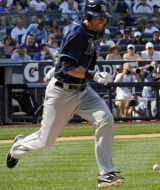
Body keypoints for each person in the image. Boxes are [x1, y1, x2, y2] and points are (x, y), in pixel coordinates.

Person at [6, 1, 124, 188]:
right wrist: (93, 74)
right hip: (62, 92)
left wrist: (92, 73)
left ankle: (106, 173)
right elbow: (68, 68)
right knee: (45, 141)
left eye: (104, 17)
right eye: (99, 17)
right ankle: (18, 147)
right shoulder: (77, 33)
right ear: (88, 17)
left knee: (106, 119)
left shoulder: (93, 31)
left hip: (83, 90)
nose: (103, 20)